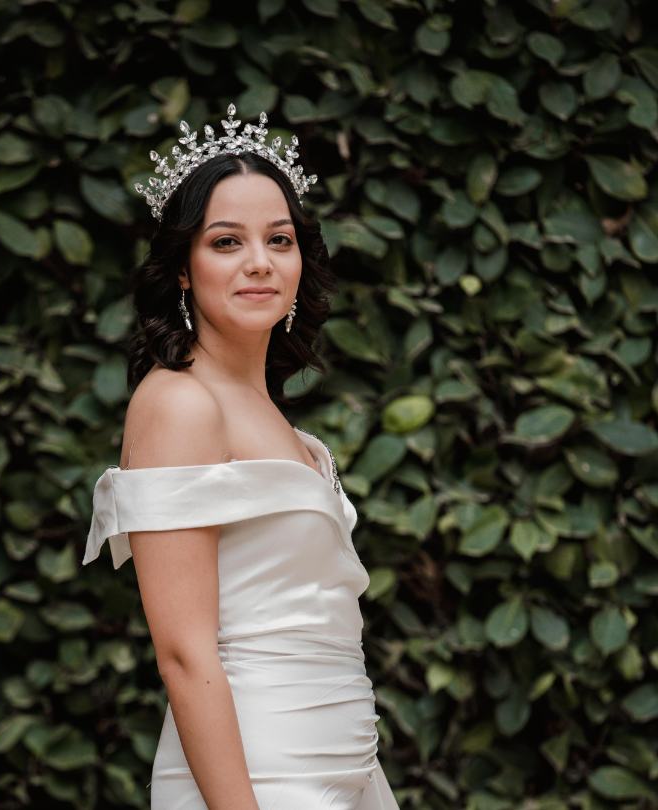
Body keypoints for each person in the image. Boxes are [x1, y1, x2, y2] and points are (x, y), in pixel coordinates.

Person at [82, 104, 399, 809]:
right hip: (254, 777)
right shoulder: (178, 404)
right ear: (184, 270)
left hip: (344, 763)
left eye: (278, 239)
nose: (260, 262)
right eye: (227, 242)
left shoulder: (277, 420)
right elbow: (185, 654)